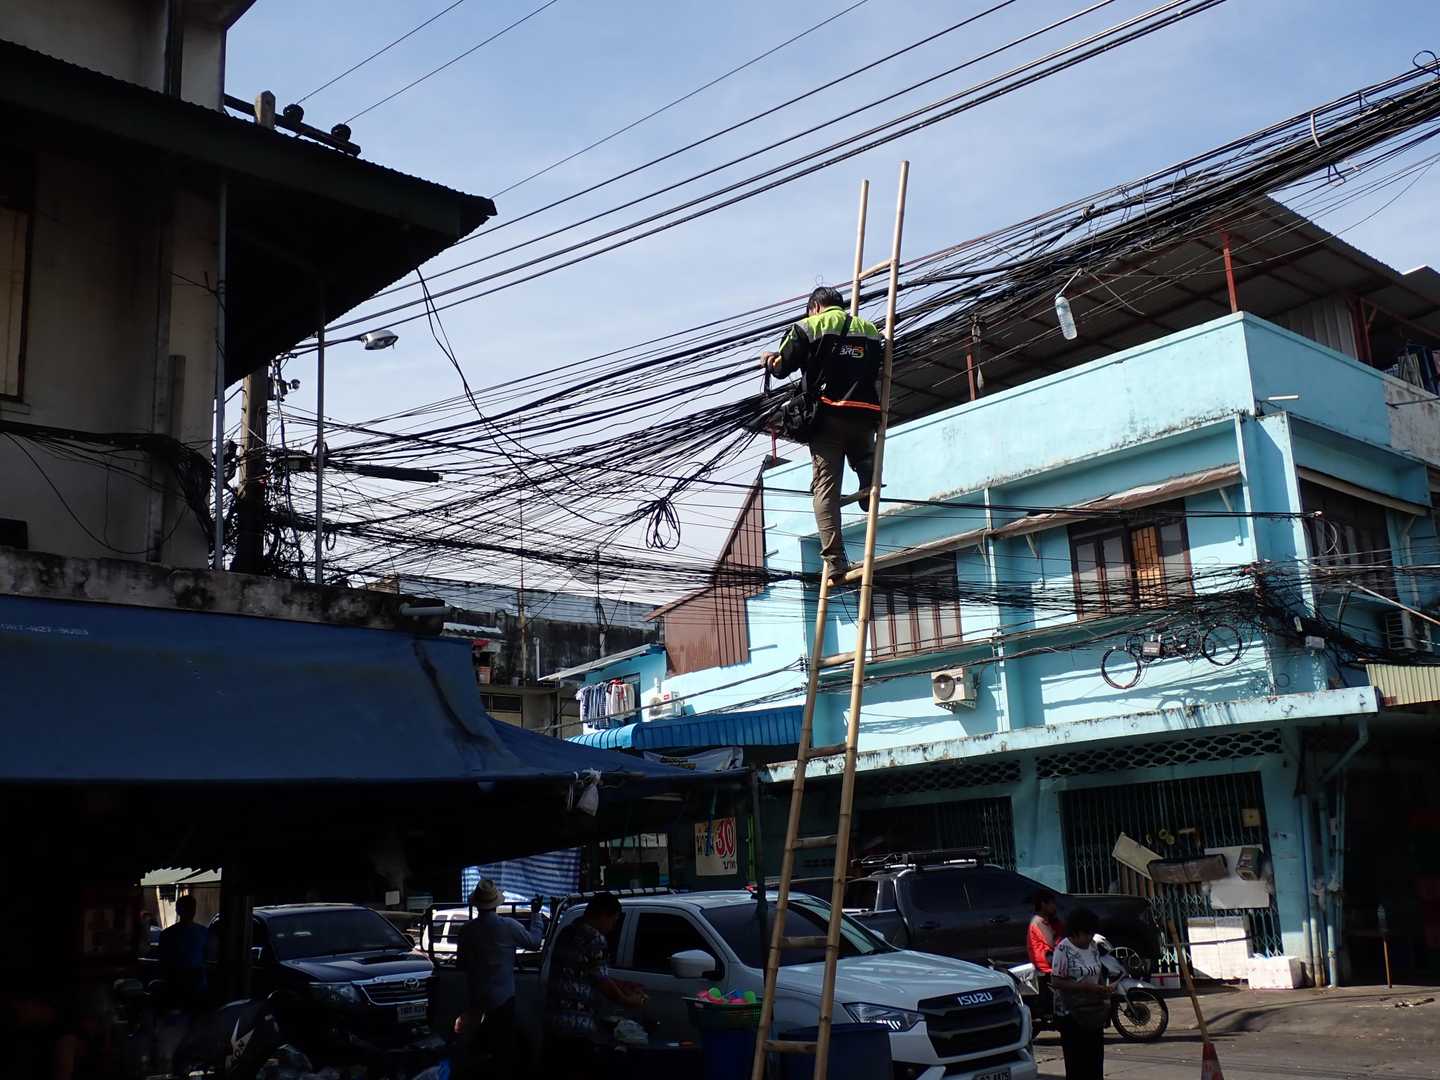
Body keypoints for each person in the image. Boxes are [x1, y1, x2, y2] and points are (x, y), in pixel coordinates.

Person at [763, 286, 883, 583]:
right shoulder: (870, 330)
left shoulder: (807, 327)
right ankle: (867, 479)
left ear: (815, 307)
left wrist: (769, 360)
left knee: (825, 490)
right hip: (865, 414)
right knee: (863, 457)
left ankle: (835, 560)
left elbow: (782, 367)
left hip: (828, 417)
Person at [543, 893, 646, 1079]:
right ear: (604, 915)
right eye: (614, 921)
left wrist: (623, 985)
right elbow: (602, 983)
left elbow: (586, 972)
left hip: (553, 1021)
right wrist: (630, 1001)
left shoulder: (567, 933)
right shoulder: (595, 939)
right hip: (577, 1026)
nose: (612, 927)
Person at [453, 881, 544, 1080]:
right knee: (503, 1048)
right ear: (496, 904)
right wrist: (536, 915)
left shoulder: (467, 930)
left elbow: (461, 964)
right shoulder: (508, 926)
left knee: (477, 1047)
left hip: (476, 999)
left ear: (477, 905)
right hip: (503, 999)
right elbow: (535, 942)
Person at [1049, 906, 1110, 1080]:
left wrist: (1104, 990)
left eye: (1092, 934)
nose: (1089, 938)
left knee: (1095, 1062)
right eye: (1086, 934)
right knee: (1077, 1064)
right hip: (1071, 1014)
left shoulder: (1092, 947)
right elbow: (1056, 981)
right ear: (1076, 932)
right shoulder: (1063, 949)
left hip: (1093, 1011)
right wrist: (1085, 987)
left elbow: (1097, 972)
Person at [156, 895, 209, 1011]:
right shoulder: (204, 932)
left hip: (176, 983)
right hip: (195, 984)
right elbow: (208, 956)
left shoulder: (167, 934)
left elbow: (163, 961)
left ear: (177, 910)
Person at [1027, 889, 1065, 1017]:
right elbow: (1051, 942)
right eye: (1052, 904)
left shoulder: (1048, 921)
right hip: (1045, 961)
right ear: (1043, 904)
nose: (1054, 907)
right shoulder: (1039, 921)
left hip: (1050, 958)